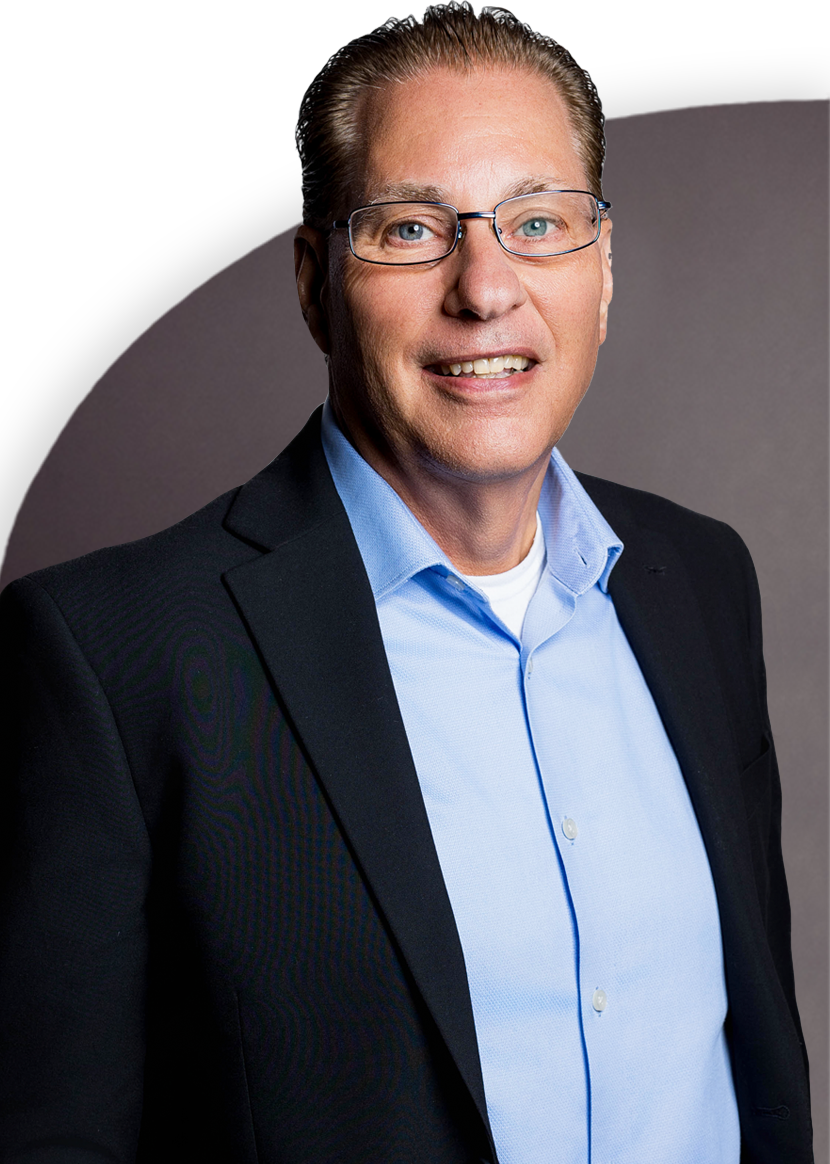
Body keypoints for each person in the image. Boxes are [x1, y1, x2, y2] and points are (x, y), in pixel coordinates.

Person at [0, 5, 813, 1162]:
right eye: (410, 230)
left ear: (602, 268)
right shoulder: (110, 655)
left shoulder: (698, 580)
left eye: (539, 221)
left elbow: (752, 1057)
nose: (484, 288)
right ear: (310, 280)